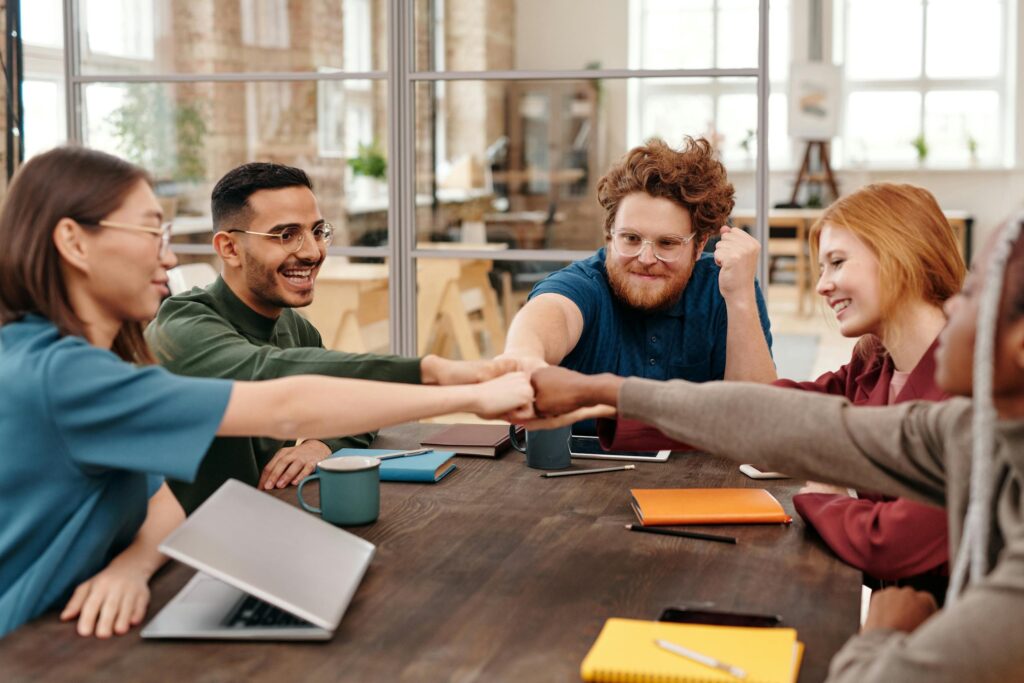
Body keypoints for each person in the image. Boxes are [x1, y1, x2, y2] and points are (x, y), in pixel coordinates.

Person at [0, 146, 532, 639]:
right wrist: (464, 386)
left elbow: (156, 497)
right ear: (73, 241)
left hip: (107, 609)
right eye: (149, 234)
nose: (167, 261)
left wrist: (131, 567)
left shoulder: (92, 362)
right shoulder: (64, 375)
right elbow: (284, 400)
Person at [526, 214, 1024, 682]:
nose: (954, 301)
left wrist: (881, 631)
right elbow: (788, 419)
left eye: (977, 290)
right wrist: (608, 394)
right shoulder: (965, 427)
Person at [597, 183, 966, 602]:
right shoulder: (873, 367)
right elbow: (764, 413)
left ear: (901, 254)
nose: (822, 286)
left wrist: (822, 500)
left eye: (837, 263)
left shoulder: (976, 391)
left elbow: (891, 541)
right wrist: (610, 404)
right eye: (822, 268)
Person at [147, 163, 511, 513]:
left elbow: (355, 401)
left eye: (318, 231)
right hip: (177, 551)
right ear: (229, 249)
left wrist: (321, 444)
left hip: (261, 523)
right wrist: (438, 372)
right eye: (286, 235)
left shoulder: (293, 325)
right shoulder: (182, 327)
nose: (312, 252)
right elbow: (274, 375)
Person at [497, 138, 775, 413]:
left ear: (699, 244)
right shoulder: (586, 284)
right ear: (610, 234)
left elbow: (760, 419)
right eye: (631, 238)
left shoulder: (726, 287)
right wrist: (523, 356)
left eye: (667, 243)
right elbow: (551, 312)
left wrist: (739, 298)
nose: (646, 259)